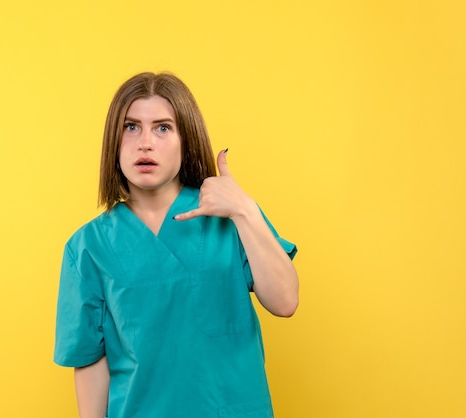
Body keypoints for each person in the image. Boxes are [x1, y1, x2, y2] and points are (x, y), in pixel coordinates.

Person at [54, 72, 299, 418]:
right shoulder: (88, 247)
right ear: (114, 140)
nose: (145, 143)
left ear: (187, 138)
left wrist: (244, 209)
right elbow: (92, 363)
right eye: (131, 127)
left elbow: (285, 301)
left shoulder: (231, 216)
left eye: (163, 128)